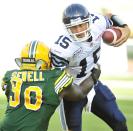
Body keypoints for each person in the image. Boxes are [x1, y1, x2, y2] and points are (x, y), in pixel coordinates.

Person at [50, 3, 130, 131]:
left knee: (119, 121)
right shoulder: (62, 48)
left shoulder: (98, 22)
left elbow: (109, 16)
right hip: (71, 89)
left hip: (94, 84)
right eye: (74, 27)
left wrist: (125, 28)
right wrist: (90, 81)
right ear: (66, 28)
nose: (79, 30)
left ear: (89, 21)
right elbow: (60, 84)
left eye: (81, 25)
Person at [0, 40, 100, 131]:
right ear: (46, 60)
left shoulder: (9, 76)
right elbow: (80, 93)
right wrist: (94, 76)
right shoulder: (55, 77)